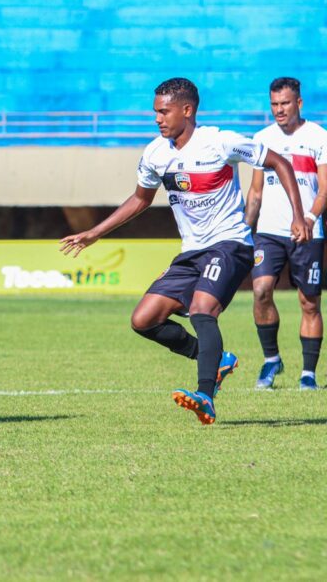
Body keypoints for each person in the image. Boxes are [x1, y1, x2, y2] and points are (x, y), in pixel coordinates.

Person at [60, 78, 309, 425]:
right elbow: (140, 199)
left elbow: (280, 162)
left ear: (187, 110)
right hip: (191, 253)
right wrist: (95, 233)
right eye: (155, 112)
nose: (157, 119)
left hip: (230, 244)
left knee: (202, 309)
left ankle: (205, 395)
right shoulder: (155, 153)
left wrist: (298, 215)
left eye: (164, 112)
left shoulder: (220, 142)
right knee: (143, 320)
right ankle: (216, 360)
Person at [245, 77, 327, 391]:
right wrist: (244, 230)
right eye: (274, 104)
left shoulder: (318, 137)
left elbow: (324, 190)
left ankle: (308, 374)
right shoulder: (261, 138)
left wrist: (308, 219)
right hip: (268, 232)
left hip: (308, 232)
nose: (279, 110)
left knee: (309, 302)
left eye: (285, 103)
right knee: (261, 290)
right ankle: (271, 360)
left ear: (299, 103)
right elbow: (255, 192)